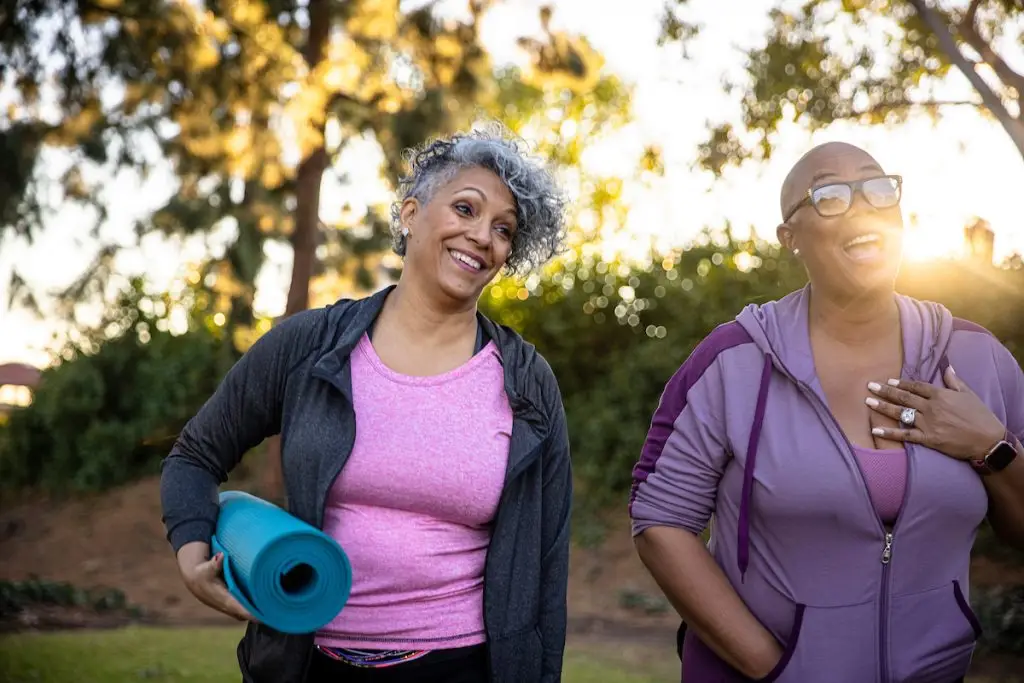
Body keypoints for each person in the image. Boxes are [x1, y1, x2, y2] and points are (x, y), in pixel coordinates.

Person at [160, 127, 573, 683]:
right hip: (307, 664)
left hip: (464, 667)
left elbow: (548, 561)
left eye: (503, 229)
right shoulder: (310, 344)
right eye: (466, 209)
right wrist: (191, 557)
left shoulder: (528, 381)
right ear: (409, 214)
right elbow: (194, 454)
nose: (482, 236)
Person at [629, 141, 1024, 683]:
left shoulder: (979, 359)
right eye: (830, 195)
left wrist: (992, 448)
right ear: (790, 238)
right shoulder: (733, 362)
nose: (862, 205)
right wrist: (773, 667)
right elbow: (660, 521)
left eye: (877, 187)